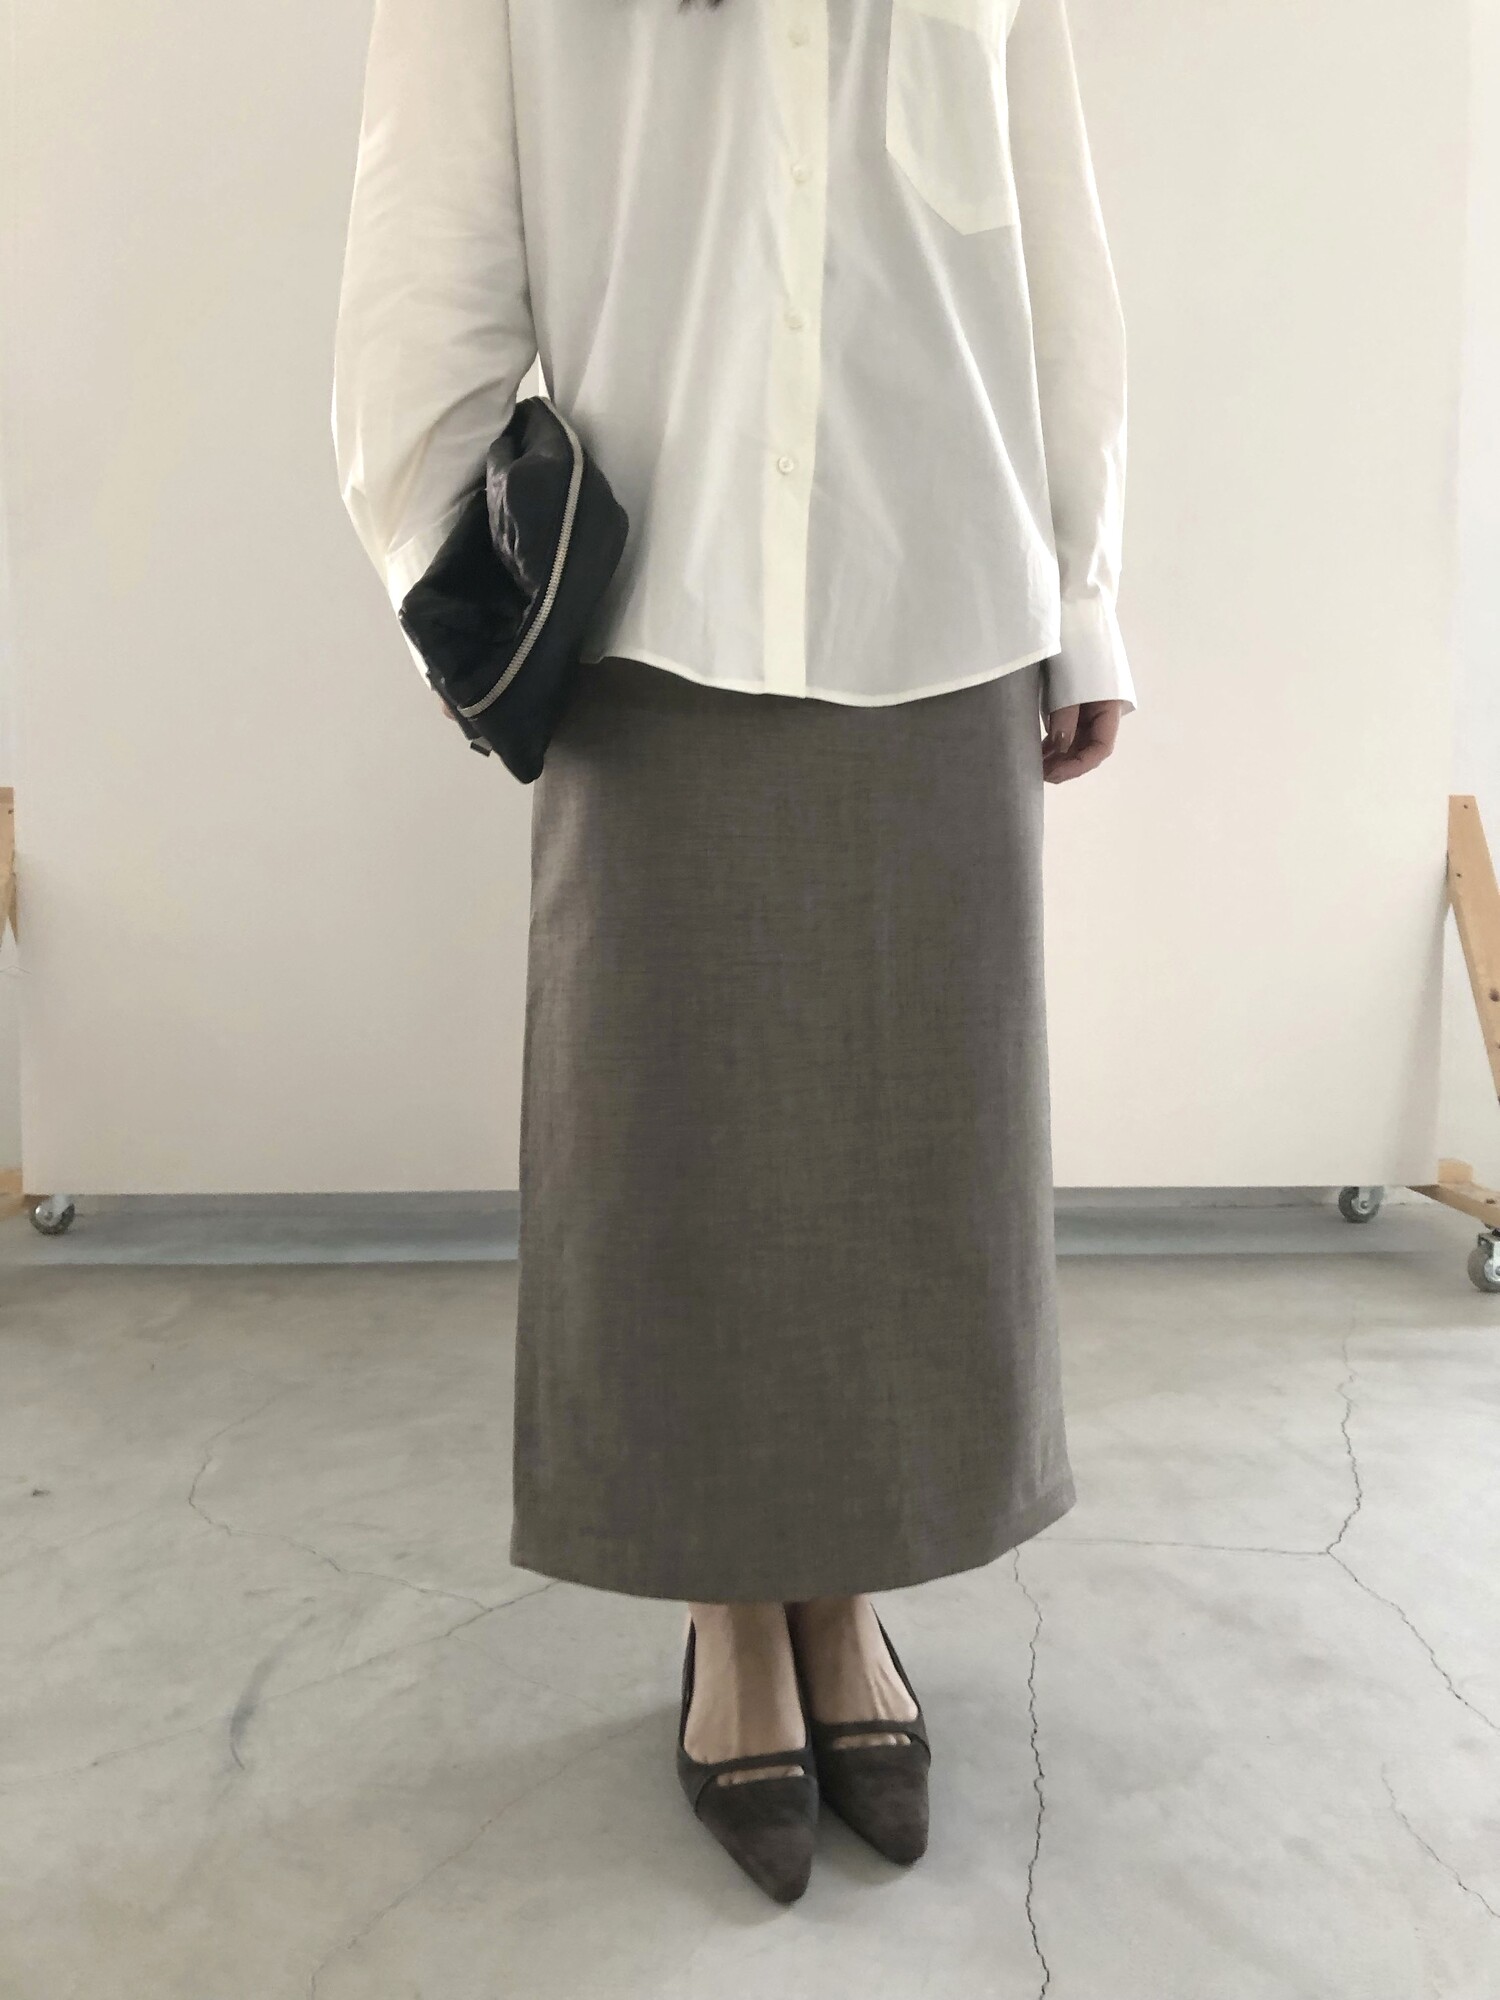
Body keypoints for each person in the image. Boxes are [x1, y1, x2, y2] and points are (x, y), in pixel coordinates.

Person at [332, 0, 1134, 1906]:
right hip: (651, 606)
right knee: (672, 1153)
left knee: (906, 1152)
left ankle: (839, 1598)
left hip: (943, 584)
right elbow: (426, 255)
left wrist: (1087, 587)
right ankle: (728, 1611)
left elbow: (1047, 224)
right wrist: (462, 583)